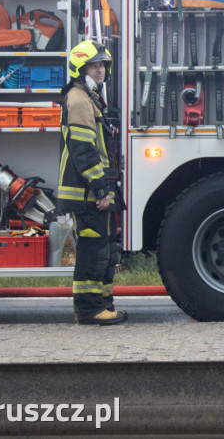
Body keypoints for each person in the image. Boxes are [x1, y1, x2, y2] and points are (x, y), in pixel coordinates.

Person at [59, 40, 125, 325]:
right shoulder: (78, 99)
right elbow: (84, 150)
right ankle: (88, 310)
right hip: (87, 192)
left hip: (96, 191)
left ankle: (103, 304)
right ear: (80, 68)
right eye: (93, 66)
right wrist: (100, 188)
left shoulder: (89, 97)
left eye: (102, 65)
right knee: (94, 250)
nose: (100, 71)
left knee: (106, 250)